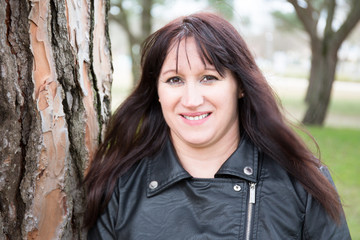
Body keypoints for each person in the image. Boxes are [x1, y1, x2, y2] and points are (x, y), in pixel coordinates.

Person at [84, 12, 351, 239]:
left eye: (209, 78)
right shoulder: (119, 187)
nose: (191, 100)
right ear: (157, 91)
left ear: (241, 87)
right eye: (174, 80)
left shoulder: (302, 184)